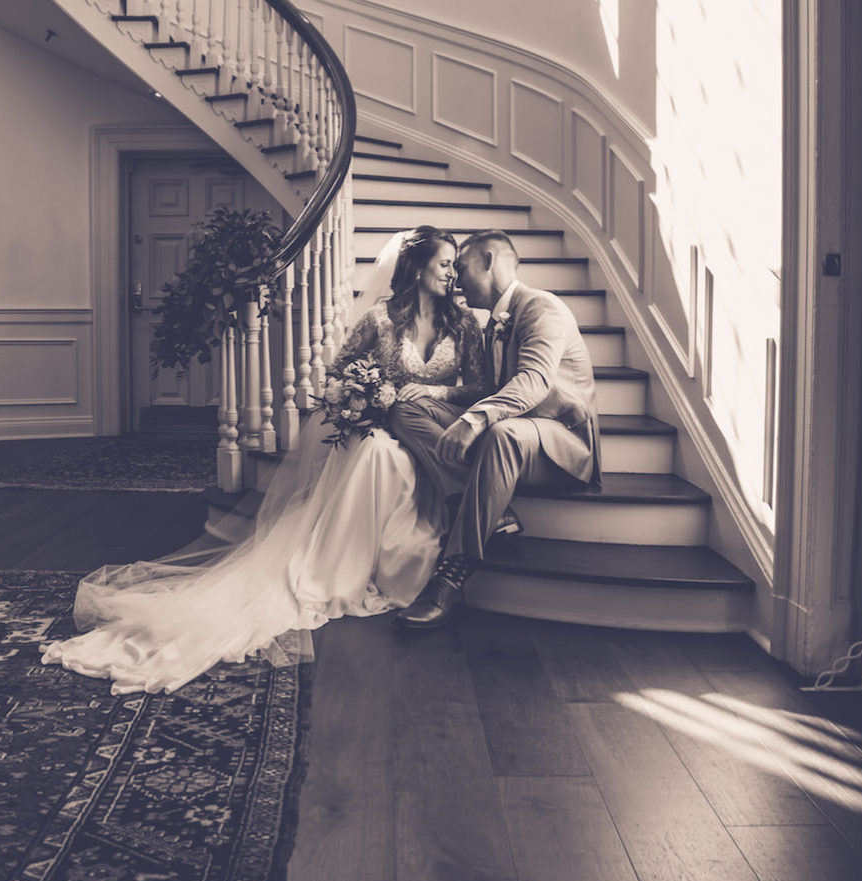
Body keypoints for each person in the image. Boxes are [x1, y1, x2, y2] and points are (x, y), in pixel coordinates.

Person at [40, 226, 485, 693]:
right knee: (374, 452)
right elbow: (339, 372)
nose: (453, 274)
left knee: (387, 452)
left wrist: (430, 391)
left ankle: (425, 525)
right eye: (445, 264)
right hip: (380, 428)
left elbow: (479, 386)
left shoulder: (465, 323)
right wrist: (368, 397)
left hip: (436, 427)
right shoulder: (379, 319)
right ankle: (345, 566)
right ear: (417, 269)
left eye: (454, 265)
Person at [390, 228, 602, 630]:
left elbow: (534, 381)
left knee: (504, 434)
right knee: (407, 411)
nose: (455, 279)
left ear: (489, 261)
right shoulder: (493, 322)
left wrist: (475, 419)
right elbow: (489, 391)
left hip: (560, 439)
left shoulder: (542, 307)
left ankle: (452, 574)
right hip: (514, 429)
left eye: (463, 267)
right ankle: (490, 507)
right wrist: (435, 396)